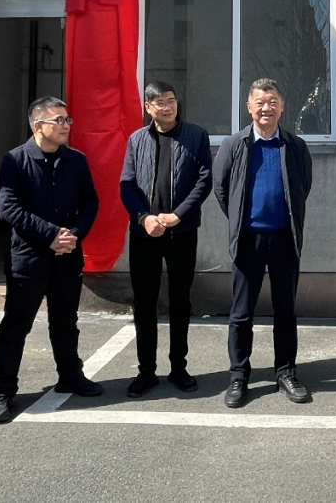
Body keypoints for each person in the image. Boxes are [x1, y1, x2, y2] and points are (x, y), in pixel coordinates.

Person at [0, 97, 101, 423]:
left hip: (67, 257)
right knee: (15, 326)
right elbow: (8, 208)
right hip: (28, 259)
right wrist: (50, 235)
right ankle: (3, 391)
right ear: (38, 125)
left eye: (67, 120)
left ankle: (70, 375)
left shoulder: (76, 161)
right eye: (58, 120)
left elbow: (90, 203)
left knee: (65, 323)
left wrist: (73, 234)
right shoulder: (15, 161)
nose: (66, 126)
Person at [213, 78, 312, 408]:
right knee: (242, 313)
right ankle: (239, 376)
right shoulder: (235, 145)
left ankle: (286, 373)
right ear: (249, 107)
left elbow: (303, 187)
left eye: (272, 102)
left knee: (285, 311)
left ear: (282, 107)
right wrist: (240, 219)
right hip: (248, 240)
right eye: (260, 102)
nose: (266, 108)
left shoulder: (295, 146)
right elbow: (222, 189)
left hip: (284, 238)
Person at [120, 81, 213, 397]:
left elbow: (204, 181)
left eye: (171, 100)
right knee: (144, 302)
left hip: (181, 233)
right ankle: (146, 371)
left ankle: (178, 368)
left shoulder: (196, 136)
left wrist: (178, 215)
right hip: (144, 234)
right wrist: (144, 218)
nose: (167, 106)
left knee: (180, 301)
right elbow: (127, 185)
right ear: (148, 108)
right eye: (159, 102)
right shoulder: (136, 140)